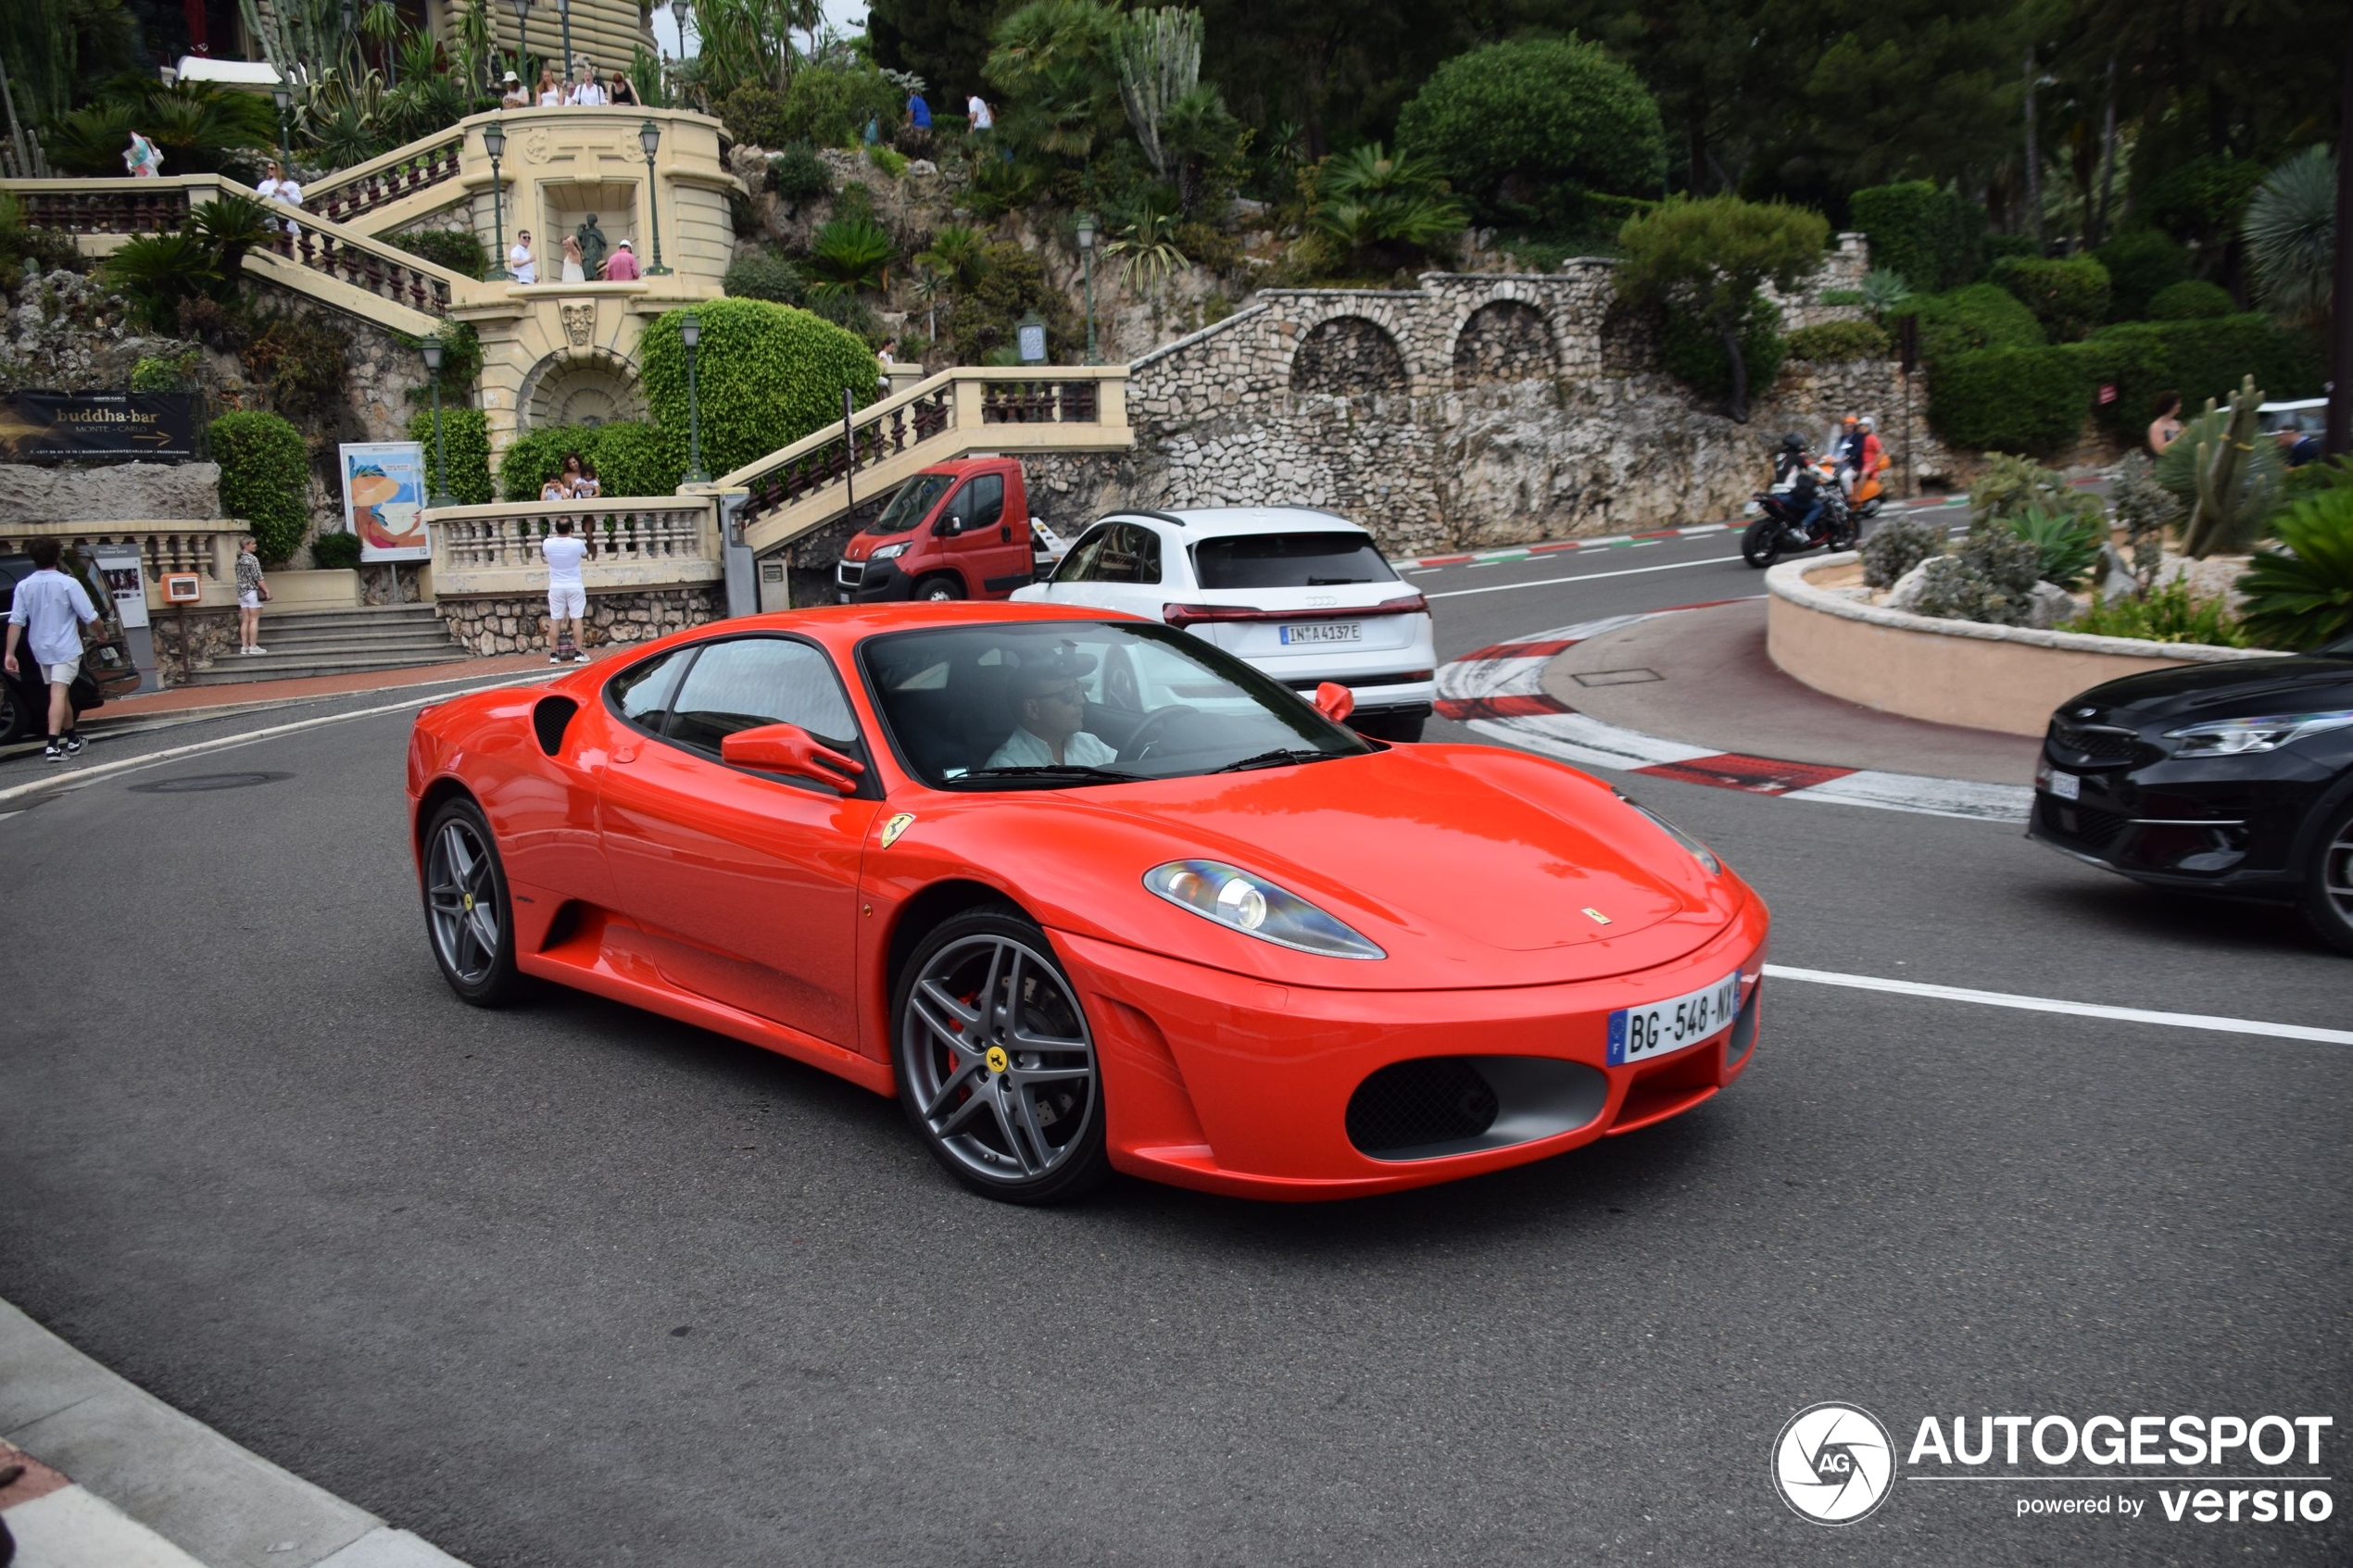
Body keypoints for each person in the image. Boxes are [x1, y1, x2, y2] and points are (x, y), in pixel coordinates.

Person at [4, 537, 100, 761]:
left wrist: (9, 653)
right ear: (57, 556)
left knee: (60, 690)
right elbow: (89, 615)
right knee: (58, 692)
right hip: (65, 646)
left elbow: (16, 622)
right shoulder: (68, 583)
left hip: (40, 647)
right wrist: (101, 632)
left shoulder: (24, 586)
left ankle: (73, 739)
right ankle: (53, 745)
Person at [985, 663, 1118, 771]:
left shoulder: (1092, 745)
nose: (1081, 700)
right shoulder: (1006, 769)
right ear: (1033, 709)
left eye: (1078, 688)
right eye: (1068, 693)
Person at [540, 517, 591, 663]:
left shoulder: (547, 543)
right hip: (574, 585)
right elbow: (586, 555)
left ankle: (554, 655)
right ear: (571, 528)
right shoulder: (577, 543)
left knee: (555, 619)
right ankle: (579, 652)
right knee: (577, 619)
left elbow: (546, 553)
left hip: (556, 586)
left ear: (556, 529)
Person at [233, 535, 269, 655]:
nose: (255, 546)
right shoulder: (252, 559)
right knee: (254, 620)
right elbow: (258, 577)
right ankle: (253, 646)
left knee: (245, 620)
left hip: (241, 592)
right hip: (252, 591)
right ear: (246, 545)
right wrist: (267, 591)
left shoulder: (239, 560)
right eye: (253, 544)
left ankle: (244, 646)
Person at [256, 157, 303, 238]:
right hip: (272, 218)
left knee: (288, 241)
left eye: (272, 168)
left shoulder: (290, 185)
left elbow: (298, 200)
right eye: (268, 168)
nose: (269, 170)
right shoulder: (265, 185)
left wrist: (288, 195)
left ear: (278, 169)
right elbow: (259, 198)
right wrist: (273, 192)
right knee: (277, 240)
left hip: (288, 217)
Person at [2147, 392, 2183, 456]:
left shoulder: (2178, 423)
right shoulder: (2156, 426)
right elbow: (2161, 450)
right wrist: (2180, 436)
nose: (2180, 405)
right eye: (2178, 403)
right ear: (2171, 406)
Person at [904, 88, 932, 153]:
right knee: (925, 142)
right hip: (928, 123)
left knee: (916, 143)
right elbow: (929, 114)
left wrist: (907, 124)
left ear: (910, 94)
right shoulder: (923, 101)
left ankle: (916, 156)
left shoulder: (912, 100)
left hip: (918, 123)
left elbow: (910, 113)